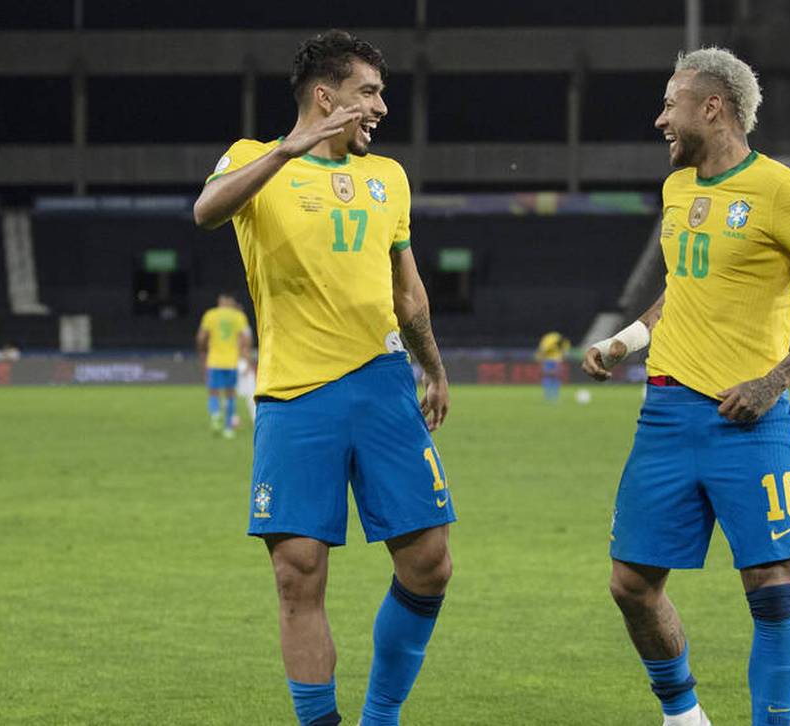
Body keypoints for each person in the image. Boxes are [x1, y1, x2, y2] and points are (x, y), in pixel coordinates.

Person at [582, 47, 790, 726]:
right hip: (665, 415)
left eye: (670, 104)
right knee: (631, 585)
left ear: (713, 107)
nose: (660, 120)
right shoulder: (677, 189)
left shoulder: (785, 191)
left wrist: (776, 381)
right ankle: (684, 716)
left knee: (771, 588)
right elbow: (682, 291)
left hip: (748, 419)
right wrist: (625, 341)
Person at [193, 30, 454, 726]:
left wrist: (434, 368)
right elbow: (206, 210)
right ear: (324, 96)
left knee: (429, 562)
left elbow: (410, 294)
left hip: (383, 384)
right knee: (296, 573)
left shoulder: (388, 177)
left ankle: (381, 717)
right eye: (369, 92)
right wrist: (288, 150)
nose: (381, 107)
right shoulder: (255, 159)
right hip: (295, 395)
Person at [196, 293, 252, 439]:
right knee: (230, 395)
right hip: (232, 362)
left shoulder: (211, 315)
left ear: (220, 301)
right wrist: (246, 359)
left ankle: (215, 414)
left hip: (214, 360)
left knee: (213, 392)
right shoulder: (238, 317)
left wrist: (202, 351)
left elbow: (201, 337)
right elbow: (246, 339)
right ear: (231, 302)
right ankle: (228, 428)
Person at [535, 330, 570, 401]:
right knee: (548, 377)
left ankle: (554, 396)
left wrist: (561, 360)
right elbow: (543, 350)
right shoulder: (550, 339)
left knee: (556, 377)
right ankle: (548, 395)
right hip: (548, 360)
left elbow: (565, 352)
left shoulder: (565, 342)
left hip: (556, 360)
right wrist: (541, 360)